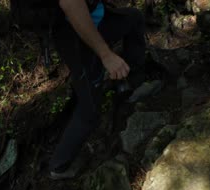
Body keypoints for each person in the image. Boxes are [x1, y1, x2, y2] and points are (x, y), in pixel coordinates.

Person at [48, 0, 146, 180]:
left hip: (96, 17)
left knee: (134, 18)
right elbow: (71, 4)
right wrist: (106, 55)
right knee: (90, 109)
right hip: (75, 34)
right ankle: (59, 166)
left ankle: (130, 80)